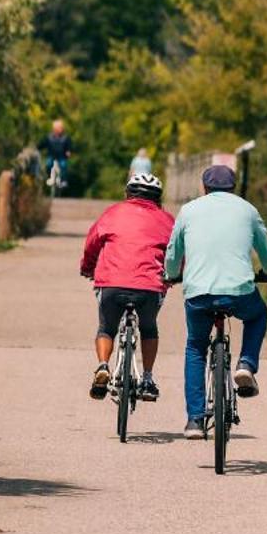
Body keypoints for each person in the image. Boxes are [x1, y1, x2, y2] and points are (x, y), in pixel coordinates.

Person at [162, 163, 267, 436]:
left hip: (198, 292)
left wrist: (171, 274)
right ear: (233, 188)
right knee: (257, 315)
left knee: (195, 347)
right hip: (239, 290)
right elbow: (265, 247)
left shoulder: (189, 210)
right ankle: (247, 364)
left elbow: (173, 250)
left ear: (204, 188)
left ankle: (195, 420)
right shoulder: (247, 210)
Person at [79, 170, 175, 401]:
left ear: (127, 193)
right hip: (150, 286)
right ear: (157, 198)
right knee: (149, 328)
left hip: (111, 284)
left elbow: (92, 244)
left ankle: (103, 366)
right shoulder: (167, 220)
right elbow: (177, 252)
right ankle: (148, 379)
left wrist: (88, 267)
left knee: (106, 328)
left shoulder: (112, 213)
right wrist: (174, 275)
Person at [42, 119, 73, 191]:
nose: (58, 130)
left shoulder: (66, 138)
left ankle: (63, 181)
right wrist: (36, 148)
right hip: (51, 155)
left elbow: (69, 146)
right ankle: (49, 178)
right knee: (48, 164)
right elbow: (42, 144)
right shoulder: (49, 137)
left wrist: (68, 151)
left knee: (63, 165)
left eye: (60, 128)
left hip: (61, 156)